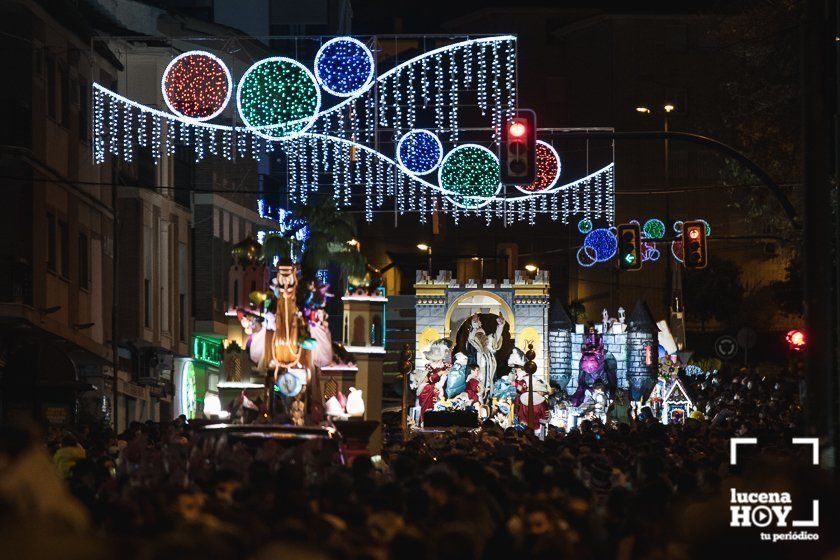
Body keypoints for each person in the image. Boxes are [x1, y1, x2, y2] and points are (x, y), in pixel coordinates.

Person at [467, 313, 506, 403]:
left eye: (482, 334)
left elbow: (496, 337)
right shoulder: (476, 348)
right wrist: (475, 325)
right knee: (479, 395)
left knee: (490, 394)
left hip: (490, 376)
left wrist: (500, 325)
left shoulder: (489, 347)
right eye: (478, 335)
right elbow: (471, 338)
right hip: (479, 376)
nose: (481, 337)